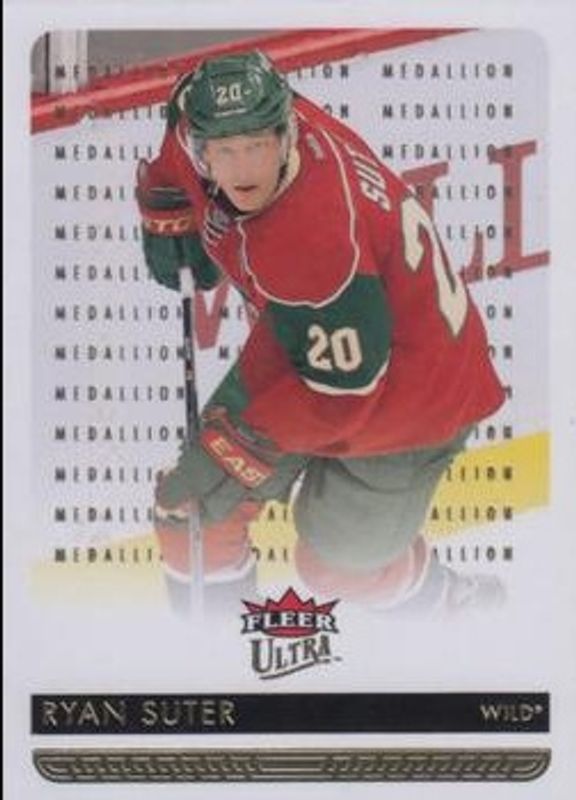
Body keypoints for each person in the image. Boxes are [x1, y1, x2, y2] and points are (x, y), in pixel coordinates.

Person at [136, 50, 506, 615]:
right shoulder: (208, 114)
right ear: (199, 145)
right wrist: (167, 204)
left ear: (285, 134)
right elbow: (176, 148)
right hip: (310, 339)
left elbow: (341, 396)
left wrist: (235, 446)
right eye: (224, 151)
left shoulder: (318, 240)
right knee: (191, 515)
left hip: (415, 397)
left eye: (257, 147)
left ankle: (442, 602)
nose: (244, 170)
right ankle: (217, 654)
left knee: (336, 564)